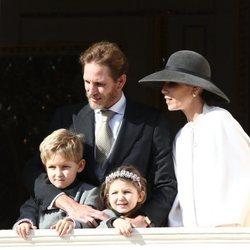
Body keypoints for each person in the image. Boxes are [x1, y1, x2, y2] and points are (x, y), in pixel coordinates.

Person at [23, 41, 177, 227]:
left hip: (131, 235)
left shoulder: (152, 121)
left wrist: (143, 219)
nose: (91, 91)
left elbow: (166, 183)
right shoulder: (67, 117)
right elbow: (34, 171)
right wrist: (69, 205)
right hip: (72, 232)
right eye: (87, 82)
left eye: (99, 84)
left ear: (120, 81)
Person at [139, 50, 250, 227]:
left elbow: (243, 178)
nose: (164, 90)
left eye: (172, 83)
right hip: (192, 237)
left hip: (227, 235)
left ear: (196, 88)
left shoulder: (220, 121)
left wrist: (229, 229)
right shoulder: (182, 136)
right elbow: (182, 194)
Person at [14, 128, 101, 238]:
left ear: (80, 166)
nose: (58, 173)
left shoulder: (90, 192)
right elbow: (27, 212)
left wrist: (71, 223)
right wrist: (25, 223)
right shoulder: (39, 196)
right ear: (45, 168)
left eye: (65, 167)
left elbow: (91, 218)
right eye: (52, 167)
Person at [98, 165, 151, 236]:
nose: (120, 198)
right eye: (115, 193)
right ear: (108, 198)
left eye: (126, 192)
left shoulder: (143, 219)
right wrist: (114, 222)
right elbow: (98, 229)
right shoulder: (105, 214)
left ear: (140, 196)